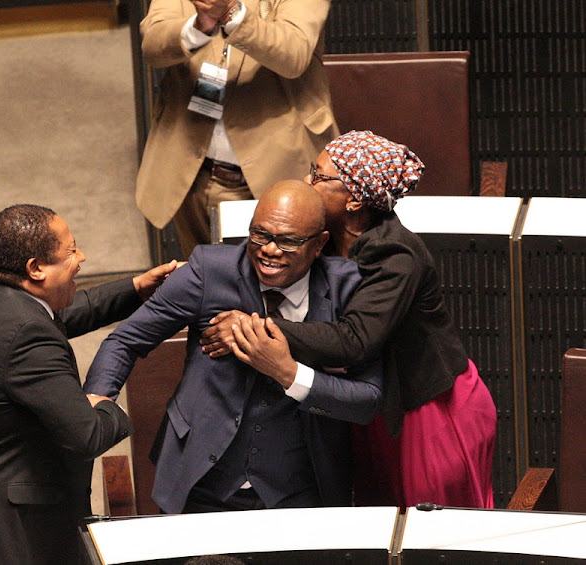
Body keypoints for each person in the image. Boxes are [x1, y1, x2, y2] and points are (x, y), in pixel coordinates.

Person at [202, 130, 497, 509]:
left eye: (320, 177)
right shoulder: (325, 242)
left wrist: (255, 329)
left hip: (429, 413)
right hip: (374, 409)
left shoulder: (394, 253)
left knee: (430, 535)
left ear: (355, 199)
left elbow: (356, 339)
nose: (307, 182)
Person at [0, 204, 177, 564]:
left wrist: (135, 289)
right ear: (35, 268)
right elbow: (87, 435)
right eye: (71, 250)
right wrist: (107, 405)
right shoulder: (28, 336)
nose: (82, 257)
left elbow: (60, 314)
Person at [85, 181, 382, 514]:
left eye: (287, 241)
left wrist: (288, 373)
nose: (269, 250)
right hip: (199, 480)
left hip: (300, 489)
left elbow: (367, 400)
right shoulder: (208, 272)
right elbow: (125, 340)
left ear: (318, 245)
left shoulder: (349, 289)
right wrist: (98, 397)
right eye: (259, 234)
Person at [135, 0, 338, 259]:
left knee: (285, 281)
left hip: (279, 167)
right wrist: (197, 27)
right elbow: (152, 46)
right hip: (191, 168)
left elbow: (293, 54)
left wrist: (232, 12)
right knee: (202, 281)